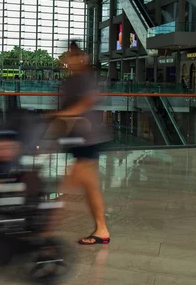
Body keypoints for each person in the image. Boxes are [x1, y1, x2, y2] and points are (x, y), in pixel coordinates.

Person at [53, 41, 110, 245]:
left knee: (69, 184)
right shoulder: (68, 82)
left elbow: (86, 102)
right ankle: (102, 229)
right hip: (76, 141)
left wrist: (62, 114)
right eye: (67, 56)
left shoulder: (88, 79)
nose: (69, 60)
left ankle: (45, 229)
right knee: (90, 187)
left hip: (89, 139)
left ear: (82, 58)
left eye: (73, 56)